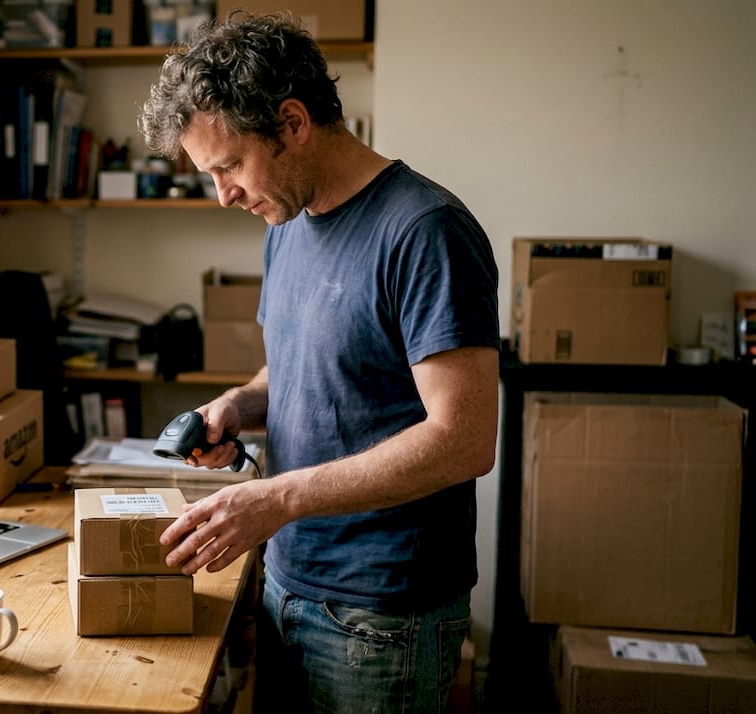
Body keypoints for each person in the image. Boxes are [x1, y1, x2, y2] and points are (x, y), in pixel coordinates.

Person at [138, 12, 500, 714]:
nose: (225, 196)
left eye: (230, 166)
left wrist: (275, 499)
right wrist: (236, 407)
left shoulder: (425, 233)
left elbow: (463, 439)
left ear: (294, 123)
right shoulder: (289, 222)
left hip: (383, 614)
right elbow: (307, 368)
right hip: (287, 581)